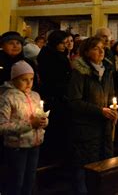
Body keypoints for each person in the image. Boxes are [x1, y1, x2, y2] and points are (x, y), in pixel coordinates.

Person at [67, 37, 117, 194]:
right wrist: (100, 111)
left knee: (103, 165)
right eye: (96, 48)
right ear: (87, 52)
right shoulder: (80, 72)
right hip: (86, 128)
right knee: (84, 168)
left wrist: (113, 110)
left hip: (104, 126)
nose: (102, 51)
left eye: (103, 47)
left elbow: (111, 95)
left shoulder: (107, 70)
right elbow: (74, 101)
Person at [0, 61, 48, 195]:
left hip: (35, 144)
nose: (29, 83)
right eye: (24, 79)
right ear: (14, 79)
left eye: (31, 79)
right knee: (16, 181)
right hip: (17, 147)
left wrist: (44, 122)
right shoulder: (7, 97)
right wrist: (30, 125)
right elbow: (2, 126)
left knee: (30, 180)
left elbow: (40, 115)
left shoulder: (35, 95)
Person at [36, 30, 72, 162]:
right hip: (54, 95)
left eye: (65, 42)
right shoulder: (51, 56)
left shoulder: (59, 54)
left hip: (59, 94)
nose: (64, 45)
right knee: (54, 126)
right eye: (62, 43)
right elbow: (53, 77)